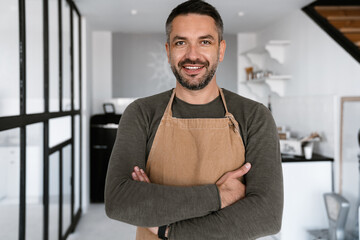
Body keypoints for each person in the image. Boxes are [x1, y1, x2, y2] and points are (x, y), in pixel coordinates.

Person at [105, 0, 283, 239]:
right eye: (181, 43)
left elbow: (266, 216)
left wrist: (168, 229)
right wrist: (218, 196)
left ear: (220, 50)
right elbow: (119, 201)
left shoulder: (254, 116)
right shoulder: (141, 113)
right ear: (168, 51)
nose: (192, 55)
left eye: (205, 42)